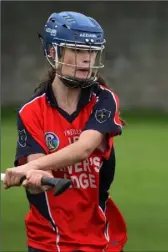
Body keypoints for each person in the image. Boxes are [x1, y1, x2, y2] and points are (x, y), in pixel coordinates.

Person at [3, 11, 127, 252]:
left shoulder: (104, 100)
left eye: (91, 52)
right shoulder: (31, 112)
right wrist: (35, 176)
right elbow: (42, 179)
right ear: (53, 53)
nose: (86, 60)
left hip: (98, 237)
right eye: (78, 51)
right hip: (48, 240)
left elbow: (85, 148)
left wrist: (29, 168)